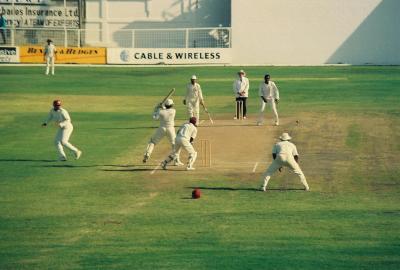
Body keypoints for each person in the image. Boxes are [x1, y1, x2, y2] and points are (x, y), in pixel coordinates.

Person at [142, 98, 183, 165]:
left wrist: (156, 108)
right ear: (171, 105)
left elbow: (155, 117)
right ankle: (176, 161)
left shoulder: (160, 111)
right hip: (170, 129)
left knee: (152, 142)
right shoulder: (173, 111)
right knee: (175, 145)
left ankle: (147, 154)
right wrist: (161, 107)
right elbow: (166, 109)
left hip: (161, 129)